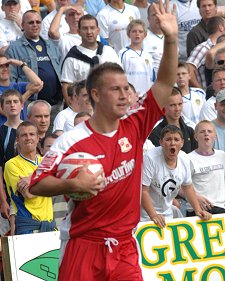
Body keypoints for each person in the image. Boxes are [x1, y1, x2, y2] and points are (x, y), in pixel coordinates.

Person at [29, 1, 179, 279]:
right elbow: (36, 184)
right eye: (115, 89)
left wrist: (170, 39)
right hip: (82, 246)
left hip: (124, 246)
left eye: (126, 89)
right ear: (96, 95)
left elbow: (164, 84)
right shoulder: (71, 141)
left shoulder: (135, 124)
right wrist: (71, 183)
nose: (125, 95)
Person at [141, 125, 211, 228]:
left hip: (167, 214)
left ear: (182, 143)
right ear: (161, 143)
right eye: (168, 139)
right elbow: (143, 190)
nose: (172, 143)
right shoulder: (150, 158)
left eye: (176, 139)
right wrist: (153, 215)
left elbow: (187, 187)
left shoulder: (184, 158)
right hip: (145, 216)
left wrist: (198, 210)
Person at [5, 10, 62, 124]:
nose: (35, 25)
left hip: (55, 105)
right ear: (22, 25)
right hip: (30, 105)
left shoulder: (51, 45)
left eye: (38, 22)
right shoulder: (14, 48)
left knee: (52, 140)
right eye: (31, 22)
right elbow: (11, 81)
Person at [4, 121, 56, 235]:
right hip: (28, 227)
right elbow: (28, 194)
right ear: (17, 139)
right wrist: (47, 180)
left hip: (50, 225)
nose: (28, 138)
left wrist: (31, 179)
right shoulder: (12, 164)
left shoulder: (45, 161)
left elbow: (57, 185)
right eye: (24, 135)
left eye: (32, 134)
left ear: (38, 138)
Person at [61, 14, 121, 104]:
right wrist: (73, 108)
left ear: (98, 30)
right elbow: (66, 86)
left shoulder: (109, 51)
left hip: (109, 104)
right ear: (78, 31)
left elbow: (120, 77)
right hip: (84, 106)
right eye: (85, 28)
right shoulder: (71, 58)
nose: (89, 32)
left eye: (92, 28)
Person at [187, 120, 225, 216]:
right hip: (197, 209)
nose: (206, 134)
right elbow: (179, 186)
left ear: (215, 136)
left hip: (220, 208)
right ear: (196, 137)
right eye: (202, 131)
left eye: (209, 131)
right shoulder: (188, 158)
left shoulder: (222, 155)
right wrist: (194, 197)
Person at [149, 87, 198, 154]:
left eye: (180, 104)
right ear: (163, 106)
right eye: (172, 105)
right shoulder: (156, 134)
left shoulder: (190, 130)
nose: (177, 109)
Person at [0, 90, 23, 221]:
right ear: (2, 107)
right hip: (10, 193)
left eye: (15, 101)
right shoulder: (1, 133)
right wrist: (3, 200)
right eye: (8, 102)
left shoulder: (31, 129)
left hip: (32, 190)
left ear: (22, 105)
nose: (12, 105)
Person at [0, 55, 43, 126]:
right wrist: (29, 93)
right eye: (1, 66)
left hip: (22, 131)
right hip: (4, 133)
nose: (5, 69)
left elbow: (37, 83)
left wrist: (21, 64)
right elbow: (6, 111)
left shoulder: (17, 86)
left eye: (7, 65)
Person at [187, 16, 225, 90]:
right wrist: (201, 91)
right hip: (206, 95)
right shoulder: (203, 48)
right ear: (221, 27)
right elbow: (188, 69)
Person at [119, 19, 154, 97]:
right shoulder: (123, 53)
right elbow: (119, 75)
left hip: (146, 97)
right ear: (128, 34)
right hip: (130, 96)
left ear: (145, 35)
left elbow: (152, 78)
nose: (137, 34)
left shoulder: (148, 55)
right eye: (134, 31)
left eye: (140, 31)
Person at [143, 1, 164, 78]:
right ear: (148, 18)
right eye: (154, 15)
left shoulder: (171, 36)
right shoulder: (142, 38)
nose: (158, 17)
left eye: (160, 13)